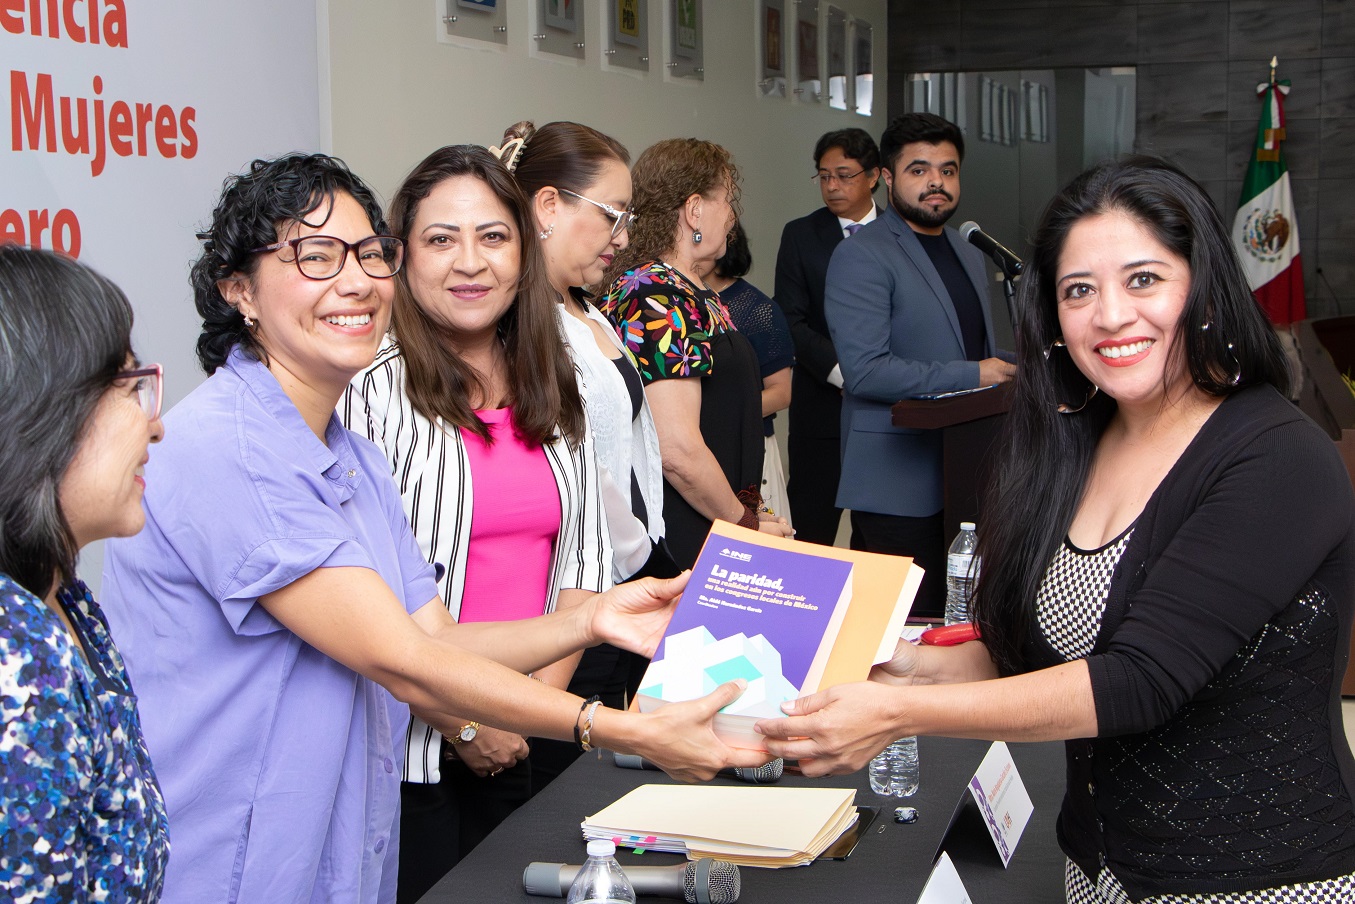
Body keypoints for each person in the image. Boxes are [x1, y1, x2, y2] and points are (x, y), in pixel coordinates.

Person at [101, 153, 766, 904]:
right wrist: (621, 729)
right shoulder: (233, 447)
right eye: (314, 256)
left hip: (328, 840)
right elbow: (406, 660)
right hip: (226, 856)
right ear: (239, 291)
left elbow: (437, 638)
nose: (355, 281)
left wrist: (592, 620)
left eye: (366, 253)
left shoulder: (345, 456)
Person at [758, 156, 1355, 902]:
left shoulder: (1274, 455)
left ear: (1203, 286)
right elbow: (1030, 654)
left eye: (1143, 279)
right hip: (1095, 870)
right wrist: (902, 670)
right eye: (1079, 290)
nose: (1110, 316)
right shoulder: (1074, 440)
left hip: (1253, 878)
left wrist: (899, 713)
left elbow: (1138, 681)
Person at [337, 143, 610, 896]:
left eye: (492, 237)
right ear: (400, 257)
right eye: (440, 239)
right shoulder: (365, 391)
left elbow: (582, 566)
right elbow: (362, 606)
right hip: (415, 748)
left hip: (540, 729)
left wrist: (532, 711)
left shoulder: (554, 379)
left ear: (523, 253)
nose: (470, 262)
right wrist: (468, 722)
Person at [504, 120, 681, 781]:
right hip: (568, 604)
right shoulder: (523, 326)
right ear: (548, 206)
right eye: (612, 215)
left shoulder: (585, 308)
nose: (624, 237)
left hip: (621, 590)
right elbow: (575, 482)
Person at [0, 246, 169, 901]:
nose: (155, 425)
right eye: (128, 388)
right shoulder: (17, 658)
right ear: (40, 412)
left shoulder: (67, 603)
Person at [824, 112, 1015, 617]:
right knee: (896, 630)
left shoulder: (966, 250)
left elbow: (970, 351)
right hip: (896, 483)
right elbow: (867, 371)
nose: (937, 182)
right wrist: (977, 373)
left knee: (960, 622)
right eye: (919, 170)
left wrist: (1026, 365)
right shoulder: (861, 255)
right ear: (888, 178)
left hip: (966, 472)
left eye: (948, 170)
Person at [599, 138, 792, 569]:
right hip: (685, 528)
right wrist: (744, 522)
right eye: (727, 200)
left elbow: (723, 420)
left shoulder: (689, 288)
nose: (732, 216)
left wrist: (753, 509)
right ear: (694, 210)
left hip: (715, 516)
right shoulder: (656, 294)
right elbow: (677, 450)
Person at [774, 128, 881, 546]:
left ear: (873, 176)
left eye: (844, 175)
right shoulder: (801, 235)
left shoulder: (901, 235)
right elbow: (790, 319)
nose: (832, 185)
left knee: (881, 538)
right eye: (823, 176)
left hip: (891, 412)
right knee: (811, 533)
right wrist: (847, 374)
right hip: (821, 409)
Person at [705, 221, 795, 526]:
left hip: (749, 447)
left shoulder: (758, 309)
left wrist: (717, 417)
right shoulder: (681, 301)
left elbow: (781, 393)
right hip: (699, 450)